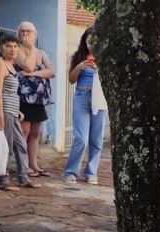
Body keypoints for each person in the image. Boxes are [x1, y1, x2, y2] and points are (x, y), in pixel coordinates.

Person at [0, 32, 40, 191]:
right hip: (3, 112)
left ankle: (23, 178)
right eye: (8, 46)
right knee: (4, 147)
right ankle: (3, 180)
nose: (13, 49)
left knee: (20, 145)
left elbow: (11, 93)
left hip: (11, 112)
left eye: (15, 46)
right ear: (1, 48)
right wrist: (0, 115)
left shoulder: (11, 65)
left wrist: (17, 111)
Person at [64, 27, 107, 185]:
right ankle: (71, 172)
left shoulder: (104, 57)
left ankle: (91, 172)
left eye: (94, 40)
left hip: (99, 99)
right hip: (82, 96)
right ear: (84, 40)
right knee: (81, 138)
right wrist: (78, 67)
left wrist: (98, 69)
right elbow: (71, 80)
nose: (91, 43)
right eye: (88, 40)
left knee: (96, 139)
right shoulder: (79, 56)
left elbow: (109, 81)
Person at [15, 21, 55, 178]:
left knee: (36, 133)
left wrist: (34, 75)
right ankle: (23, 166)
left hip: (39, 99)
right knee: (24, 132)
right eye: (23, 31)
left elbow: (51, 72)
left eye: (29, 31)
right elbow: (28, 66)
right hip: (23, 98)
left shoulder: (42, 53)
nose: (26, 34)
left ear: (35, 34)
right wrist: (31, 48)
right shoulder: (17, 51)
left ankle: (34, 164)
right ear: (18, 34)